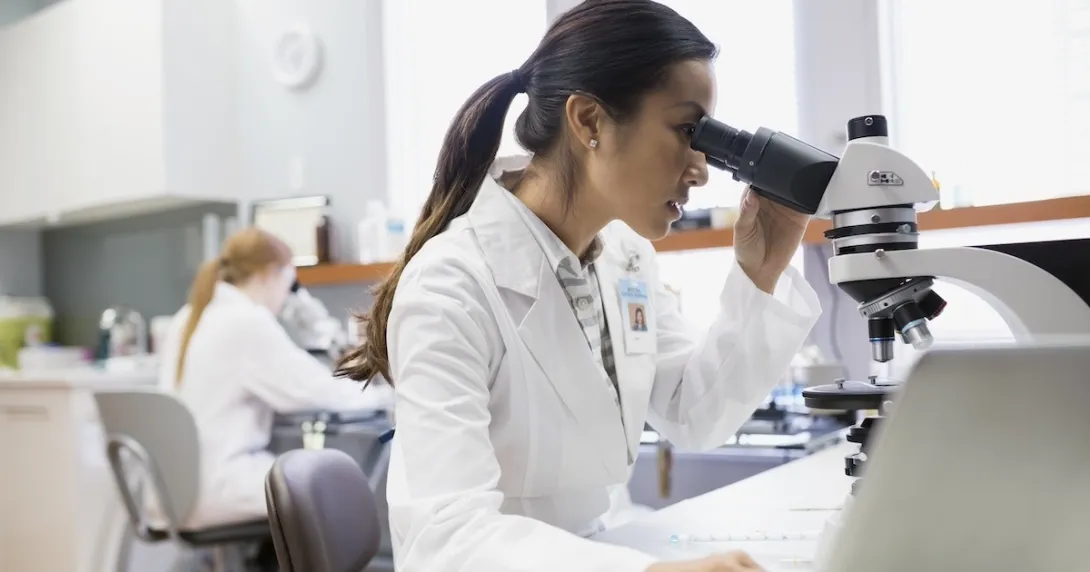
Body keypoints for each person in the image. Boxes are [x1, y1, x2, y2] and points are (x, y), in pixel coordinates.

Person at [336, 1, 820, 570]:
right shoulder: (451, 287)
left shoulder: (624, 257)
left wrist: (759, 273)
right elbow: (446, 540)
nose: (702, 167)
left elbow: (694, 412)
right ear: (589, 121)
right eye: (688, 130)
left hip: (610, 545)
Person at [159, 227, 391, 530]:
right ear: (270, 273)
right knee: (326, 484)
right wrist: (383, 395)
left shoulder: (188, 316)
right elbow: (315, 391)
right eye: (289, 282)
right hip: (217, 487)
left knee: (302, 476)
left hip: (172, 489)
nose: (287, 296)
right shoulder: (247, 321)